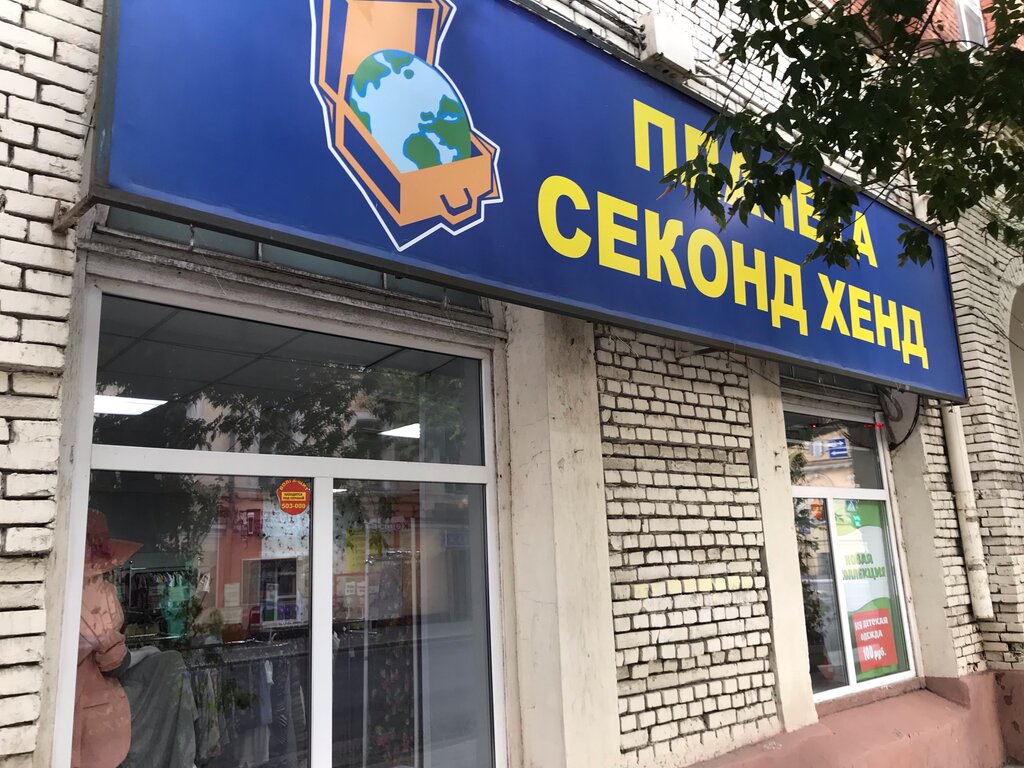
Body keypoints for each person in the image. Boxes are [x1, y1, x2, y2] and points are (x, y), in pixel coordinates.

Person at [74, 509, 198, 768]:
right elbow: (116, 664)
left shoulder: (68, 585)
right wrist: (147, 652)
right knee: (171, 664)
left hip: (72, 699)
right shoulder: (95, 593)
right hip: (93, 706)